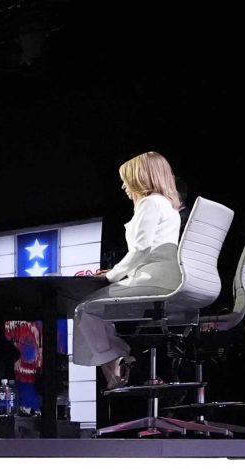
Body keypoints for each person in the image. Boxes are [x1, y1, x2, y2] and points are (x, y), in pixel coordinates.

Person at [72, 152, 183, 388]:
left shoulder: (149, 202)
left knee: (84, 308)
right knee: (97, 309)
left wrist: (111, 276)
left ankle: (115, 366)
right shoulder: (169, 206)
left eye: (127, 179)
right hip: (166, 279)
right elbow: (151, 250)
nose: (123, 186)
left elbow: (141, 249)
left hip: (152, 281)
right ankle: (119, 358)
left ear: (141, 178)